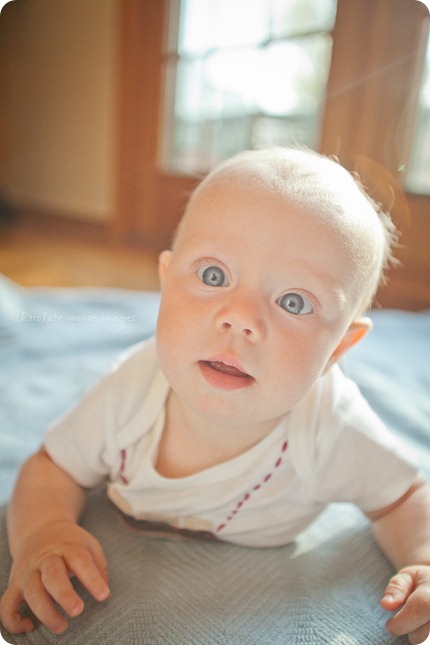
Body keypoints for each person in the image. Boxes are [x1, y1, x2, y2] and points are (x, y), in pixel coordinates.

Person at [1, 147, 429, 644]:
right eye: (212, 276)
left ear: (339, 347)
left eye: (294, 302)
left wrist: (422, 557)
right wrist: (43, 530)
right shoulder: (130, 391)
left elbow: (403, 498)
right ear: (165, 282)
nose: (240, 317)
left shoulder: (330, 426)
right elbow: (53, 466)